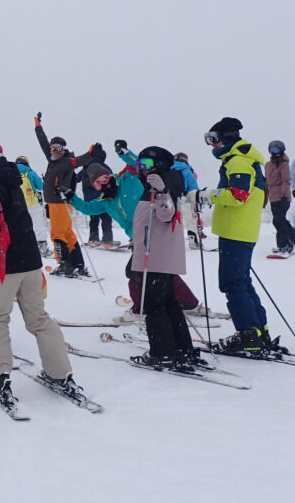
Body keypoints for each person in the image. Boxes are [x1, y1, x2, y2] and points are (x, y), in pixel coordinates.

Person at [0, 140, 84, 410]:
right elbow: (5, 205)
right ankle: (60, 374)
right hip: (30, 262)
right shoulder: (12, 176)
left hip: (5, 266)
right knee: (39, 319)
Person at [60, 159, 205, 322]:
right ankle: (188, 303)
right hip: (138, 238)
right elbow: (87, 208)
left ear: (109, 175)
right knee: (161, 272)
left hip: (153, 231)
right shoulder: (105, 201)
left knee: (136, 272)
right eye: (98, 183)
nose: (103, 183)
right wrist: (71, 196)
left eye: (104, 178)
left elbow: (138, 164)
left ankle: (140, 309)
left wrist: (124, 153)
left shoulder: (128, 180)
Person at [126, 147, 202, 369]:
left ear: (159, 165)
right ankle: (181, 349)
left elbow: (167, 215)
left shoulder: (166, 184)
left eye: (147, 165)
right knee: (168, 304)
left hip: (156, 258)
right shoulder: (155, 186)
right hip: (157, 256)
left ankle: (163, 353)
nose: (142, 170)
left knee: (154, 306)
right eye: (140, 165)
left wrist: (161, 192)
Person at [202, 117, 271, 354]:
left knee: (232, 283)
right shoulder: (242, 159)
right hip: (240, 230)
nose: (212, 144)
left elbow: (237, 195)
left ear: (227, 138)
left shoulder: (238, 161)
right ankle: (258, 331)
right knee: (241, 282)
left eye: (213, 139)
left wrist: (207, 195)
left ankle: (248, 335)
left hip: (236, 231)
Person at [33, 112, 92, 277]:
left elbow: (79, 160)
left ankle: (64, 264)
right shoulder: (52, 159)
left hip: (60, 202)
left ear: (64, 150)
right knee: (67, 233)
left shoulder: (67, 161)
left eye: (58, 148)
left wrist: (90, 153)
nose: (54, 151)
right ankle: (77, 263)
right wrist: (38, 127)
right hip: (55, 203)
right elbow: (43, 143)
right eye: (52, 148)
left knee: (57, 234)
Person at [74, 143, 115, 246]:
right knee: (106, 217)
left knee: (93, 218)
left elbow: (76, 179)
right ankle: (107, 239)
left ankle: (93, 239)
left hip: (88, 195)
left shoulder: (86, 167)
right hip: (102, 194)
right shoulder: (105, 167)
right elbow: (112, 180)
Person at [266, 141, 295, 254]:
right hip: (273, 197)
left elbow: (286, 181)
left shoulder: (283, 164)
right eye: (271, 150)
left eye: (276, 150)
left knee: (278, 221)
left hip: (282, 197)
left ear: (281, 150)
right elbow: (267, 180)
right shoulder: (268, 164)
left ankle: (284, 245)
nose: (274, 152)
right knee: (281, 220)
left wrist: (284, 195)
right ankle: (293, 240)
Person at [15, 155, 50, 256]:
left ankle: (23, 249)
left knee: (21, 226)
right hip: (33, 204)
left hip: (18, 205)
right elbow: (41, 186)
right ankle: (42, 248)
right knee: (38, 225)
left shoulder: (11, 173)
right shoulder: (30, 172)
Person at [173, 152, 203, 250]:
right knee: (191, 221)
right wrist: (196, 200)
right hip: (185, 198)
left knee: (172, 221)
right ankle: (193, 241)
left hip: (171, 199)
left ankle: (170, 243)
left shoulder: (169, 168)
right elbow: (192, 186)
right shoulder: (186, 169)